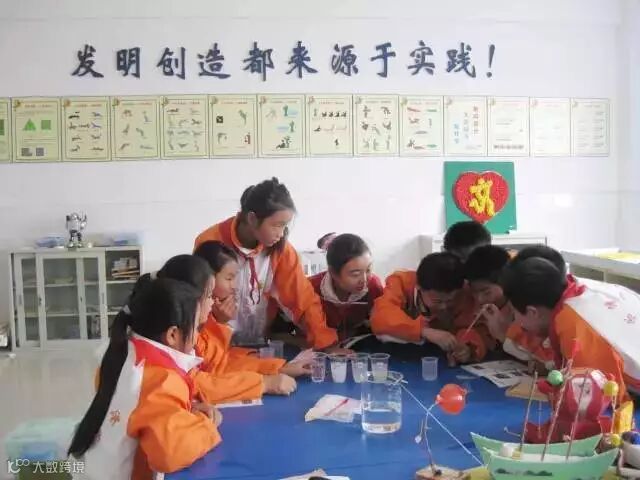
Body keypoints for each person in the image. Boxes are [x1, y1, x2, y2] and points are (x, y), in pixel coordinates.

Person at [68, 277, 220, 479]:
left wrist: (182, 411)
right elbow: (170, 454)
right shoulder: (161, 379)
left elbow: (137, 409)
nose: (198, 337)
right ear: (173, 335)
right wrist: (207, 424)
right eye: (197, 328)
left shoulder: (121, 352)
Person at [194, 178, 343, 352]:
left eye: (284, 226)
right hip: (215, 344)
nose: (281, 234)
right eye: (277, 225)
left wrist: (326, 344)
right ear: (252, 219)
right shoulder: (210, 242)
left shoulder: (282, 251)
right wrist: (218, 321)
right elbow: (198, 301)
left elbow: (303, 300)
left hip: (260, 343)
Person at [157, 254, 300, 399]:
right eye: (209, 296)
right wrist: (264, 383)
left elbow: (218, 364)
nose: (212, 302)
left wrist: (275, 368)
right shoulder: (181, 338)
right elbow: (206, 377)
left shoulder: (186, 329)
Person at [501, 256, 640, 402]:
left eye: (514, 313)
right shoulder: (579, 286)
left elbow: (599, 397)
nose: (516, 322)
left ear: (532, 312)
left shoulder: (574, 326)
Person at [192, 242, 311, 378]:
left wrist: (278, 367)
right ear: (207, 279)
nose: (234, 286)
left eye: (235, 278)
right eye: (229, 278)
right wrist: (220, 324)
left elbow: (225, 357)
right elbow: (212, 366)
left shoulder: (214, 308)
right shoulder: (195, 315)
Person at [370, 252, 492, 363]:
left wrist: (468, 348)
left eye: (450, 300)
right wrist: (423, 331)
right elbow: (381, 316)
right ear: (419, 287)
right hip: (401, 354)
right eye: (437, 301)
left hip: (441, 358)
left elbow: (480, 328)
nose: (444, 306)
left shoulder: (466, 292)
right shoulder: (401, 282)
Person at [465, 245, 554, 369]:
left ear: (505, 284)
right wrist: (469, 348)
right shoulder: (477, 305)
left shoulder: (523, 307)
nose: (479, 299)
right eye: (474, 292)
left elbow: (541, 355)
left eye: (486, 292)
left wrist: (503, 335)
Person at [308, 234, 384, 344]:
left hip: (356, 347)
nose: (364, 280)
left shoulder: (373, 286)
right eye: (355, 274)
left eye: (368, 270)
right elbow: (284, 333)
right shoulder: (310, 288)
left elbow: (380, 327)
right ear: (333, 273)